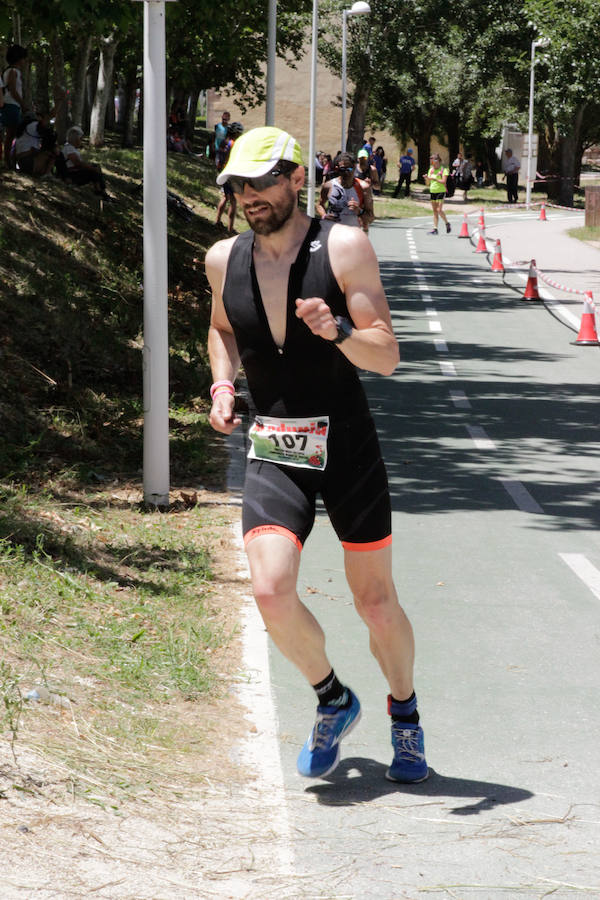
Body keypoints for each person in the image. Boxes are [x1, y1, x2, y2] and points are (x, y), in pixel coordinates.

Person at [205, 125, 429, 784]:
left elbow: (385, 354)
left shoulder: (344, 247)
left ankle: (406, 714)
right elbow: (221, 330)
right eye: (239, 185)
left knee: (376, 604)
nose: (251, 197)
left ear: (297, 178)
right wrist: (222, 384)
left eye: (264, 183)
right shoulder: (224, 259)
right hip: (276, 443)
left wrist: (337, 333)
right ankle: (333, 699)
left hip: (348, 442)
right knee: (271, 591)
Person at [317, 151, 373, 232]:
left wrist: (359, 211)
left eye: (349, 169)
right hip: (333, 233)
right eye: (342, 169)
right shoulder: (329, 186)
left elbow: (371, 218)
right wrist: (324, 216)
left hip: (353, 235)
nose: (346, 172)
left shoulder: (364, 187)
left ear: (354, 167)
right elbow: (319, 205)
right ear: (337, 169)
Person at [60, 125, 113, 200]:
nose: (81, 141)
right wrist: (91, 167)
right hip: (71, 174)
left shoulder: (71, 148)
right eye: (80, 139)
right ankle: (99, 191)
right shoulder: (69, 149)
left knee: (95, 167)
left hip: (74, 171)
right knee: (93, 170)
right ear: (76, 139)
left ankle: (101, 190)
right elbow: (77, 163)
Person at [2, 44, 28, 168]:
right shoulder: (13, 71)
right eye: (23, 58)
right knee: (11, 134)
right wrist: (23, 104)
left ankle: (10, 161)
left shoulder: (11, 71)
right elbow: (12, 89)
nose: (24, 61)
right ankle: (8, 162)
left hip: (13, 105)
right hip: (11, 104)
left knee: (12, 134)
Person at [215, 121, 243, 232]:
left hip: (223, 172)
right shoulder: (234, 144)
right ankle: (230, 228)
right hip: (232, 174)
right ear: (236, 133)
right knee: (233, 201)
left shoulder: (224, 142)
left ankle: (217, 221)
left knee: (224, 197)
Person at [424, 152, 451, 234]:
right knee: (435, 211)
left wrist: (435, 179)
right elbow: (428, 184)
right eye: (431, 161)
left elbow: (443, 181)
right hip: (433, 191)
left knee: (439, 210)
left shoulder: (444, 170)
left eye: (433, 160)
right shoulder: (431, 170)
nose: (432, 163)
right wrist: (426, 178)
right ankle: (435, 229)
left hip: (441, 191)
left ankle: (447, 223)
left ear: (438, 161)